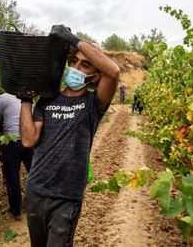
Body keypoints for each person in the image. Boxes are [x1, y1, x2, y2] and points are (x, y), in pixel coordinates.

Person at [19, 25, 120, 246]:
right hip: (36, 191)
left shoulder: (93, 104)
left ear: (94, 77)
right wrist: (25, 98)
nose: (75, 67)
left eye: (85, 65)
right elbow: (28, 139)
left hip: (66, 197)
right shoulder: (47, 100)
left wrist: (73, 40)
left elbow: (113, 72)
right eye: (73, 61)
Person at [0, 93, 33, 220]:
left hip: (12, 140)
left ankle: (16, 211)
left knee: (12, 176)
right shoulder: (26, 98)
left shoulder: (3, 98)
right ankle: (34, 204)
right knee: (34, 173)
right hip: (29, 139)